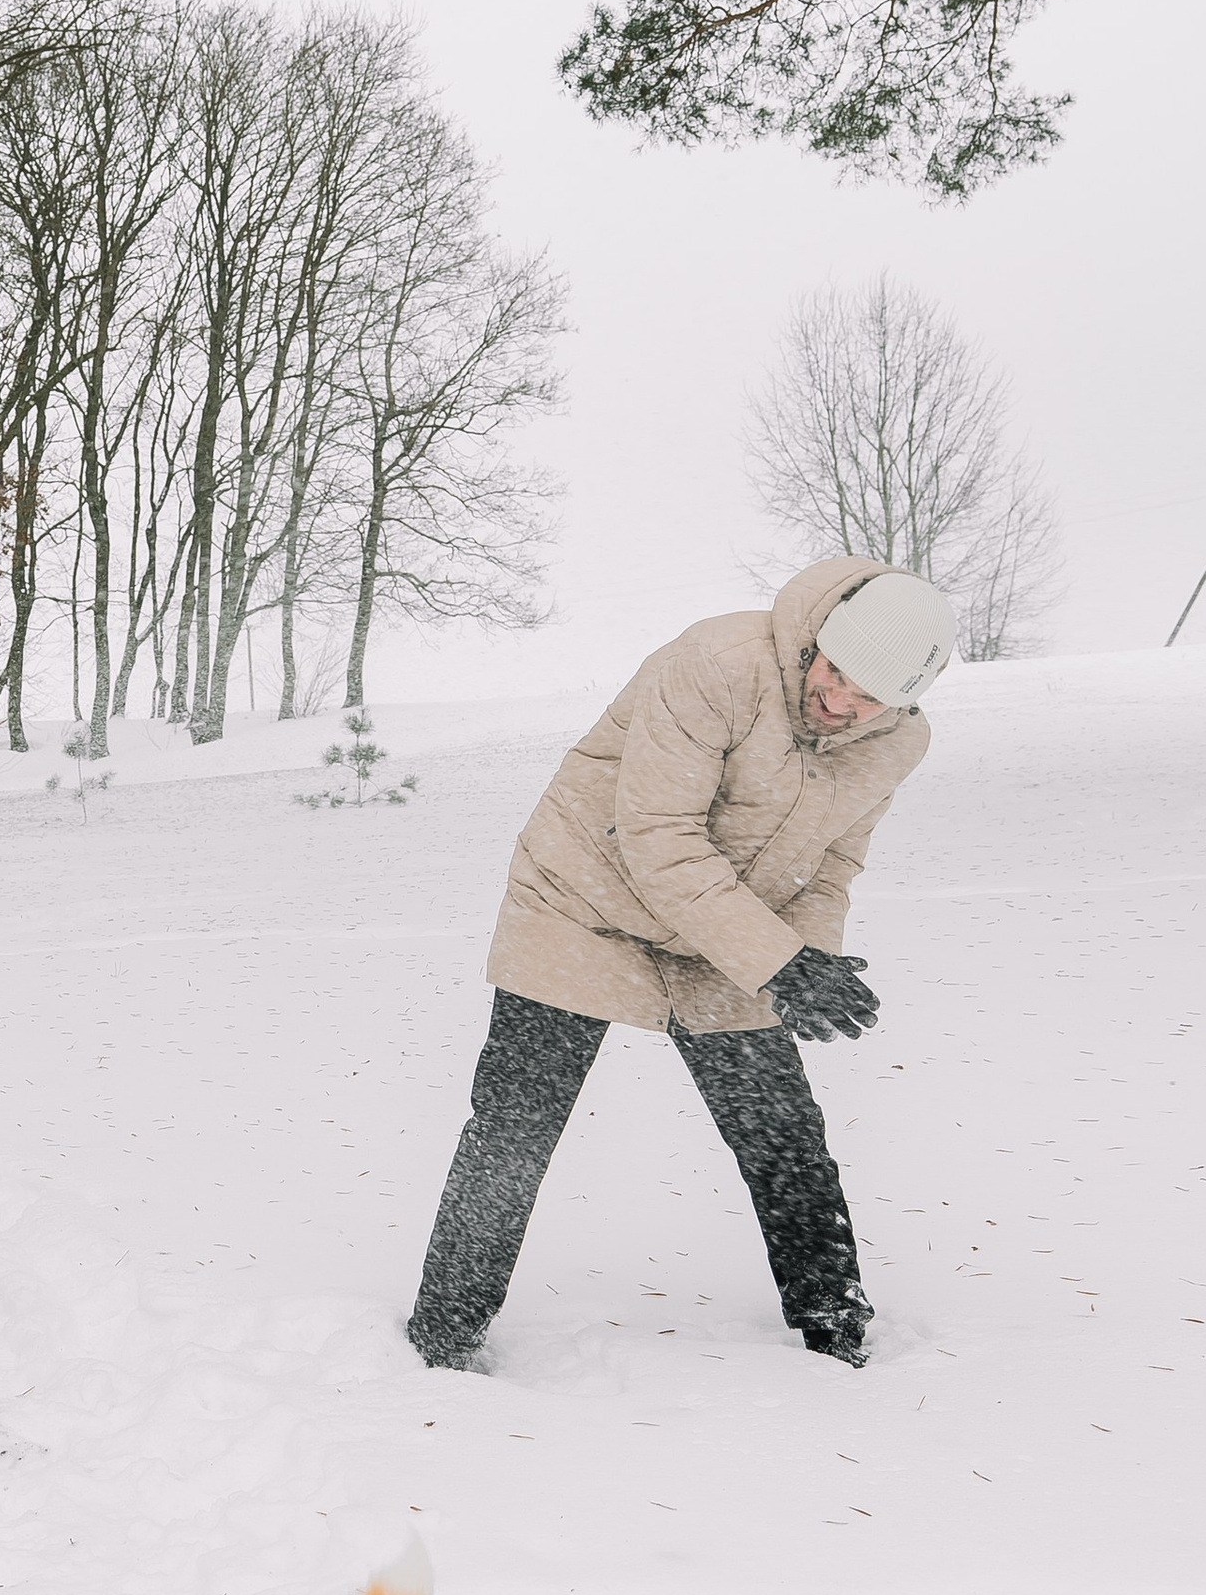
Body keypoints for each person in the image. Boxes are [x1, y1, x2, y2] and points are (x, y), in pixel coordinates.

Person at [407, 558, 955, 1375]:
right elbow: (660, 837)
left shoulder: (898, 744)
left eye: (868, 696)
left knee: (780, 1126)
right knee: (518, 1122)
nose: (839, 701)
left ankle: (835, 1327)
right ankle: (443, 1336)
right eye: (835, 671)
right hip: (583, 900)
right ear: (819, 639)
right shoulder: (718, 664)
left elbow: (831, 865)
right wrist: (777, 960)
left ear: (904, 703)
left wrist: (809, 964)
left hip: (725, 928)